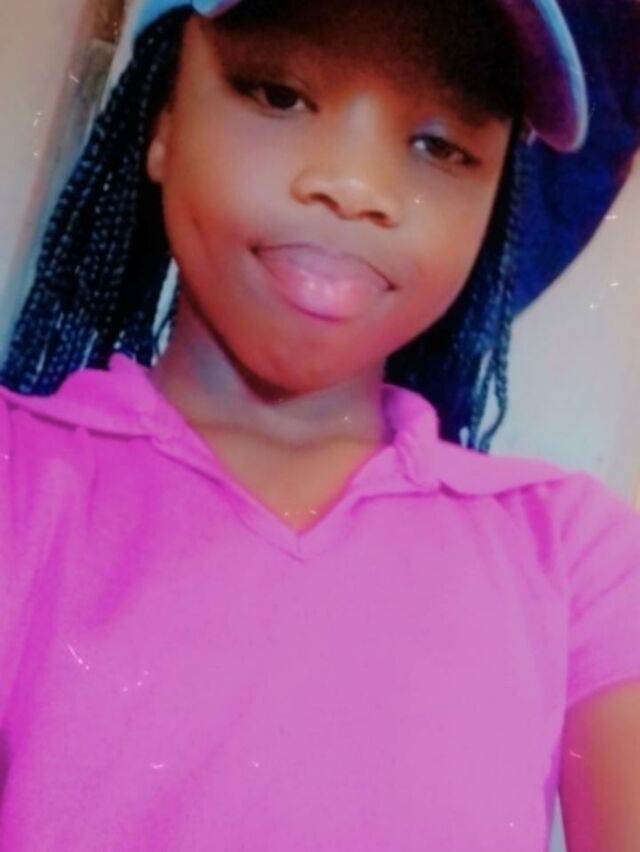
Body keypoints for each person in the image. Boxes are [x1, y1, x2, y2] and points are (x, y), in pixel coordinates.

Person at [0, 0, 639, 848]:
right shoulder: (18, 482)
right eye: (279, 95)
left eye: (442, 147)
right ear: (163, 120)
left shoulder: (575, 555)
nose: (357, 187)